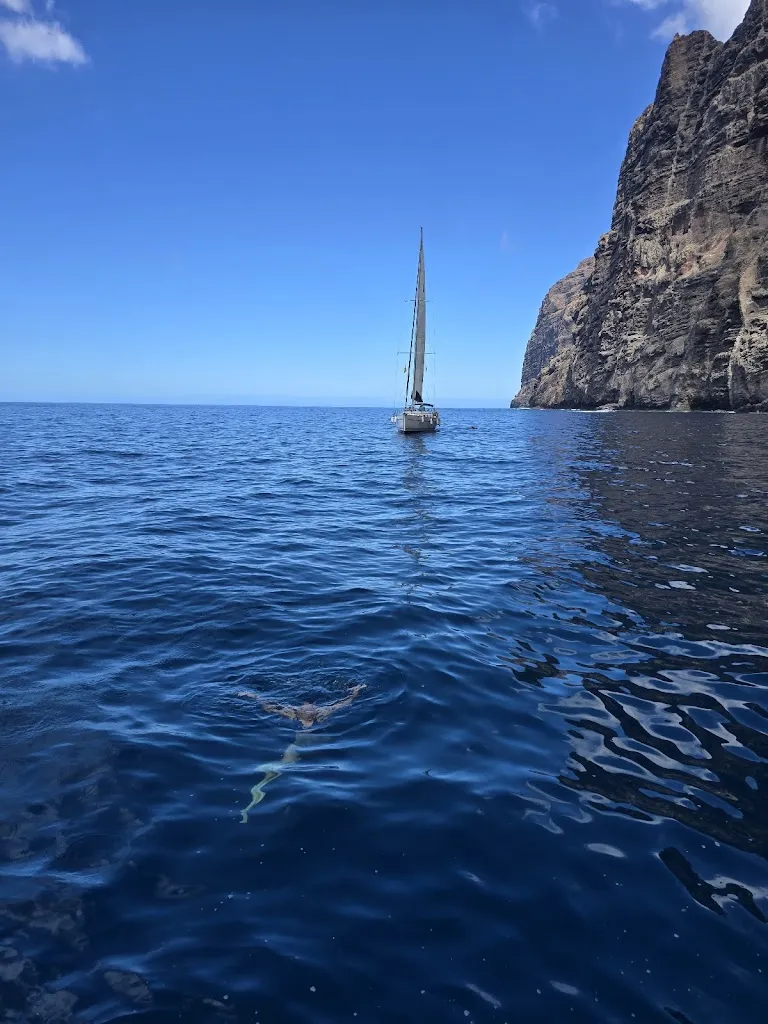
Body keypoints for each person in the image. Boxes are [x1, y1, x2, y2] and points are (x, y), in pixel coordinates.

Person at [238, 684, 366, 822]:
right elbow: (269, 707)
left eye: (311, 707)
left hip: (320, 743)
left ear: (316, 708)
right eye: (305, 708)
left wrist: (355, 691)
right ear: (298, 709)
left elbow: (343, 704)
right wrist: (254, 696)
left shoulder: (323, 713)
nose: (309, 709)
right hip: (299, 744)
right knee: (286, 762)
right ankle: (259, 790)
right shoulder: (291, 713)